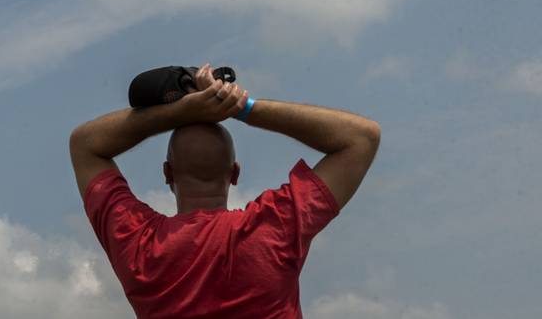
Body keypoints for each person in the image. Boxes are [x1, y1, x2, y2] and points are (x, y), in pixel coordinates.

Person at [70, 64, 380, 318]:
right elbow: (360, 138)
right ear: (234, 174)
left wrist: (181, 111)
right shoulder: (274, 227)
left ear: (167, 173)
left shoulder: (138, 244)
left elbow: (85, 145)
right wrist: (240, 106)